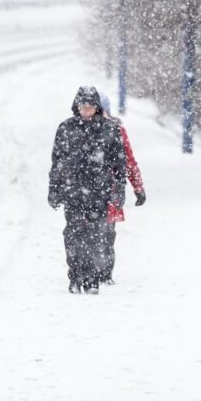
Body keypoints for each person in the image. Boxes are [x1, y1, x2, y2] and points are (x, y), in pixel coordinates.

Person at [48, 86, 126, 294]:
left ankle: (91, 277)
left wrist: (119, 190)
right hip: (72, 191)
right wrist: (54, 189)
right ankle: (75, 275)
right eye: (83, 107)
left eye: (90, 107)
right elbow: (57, 162)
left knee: (94, 235)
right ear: (77, 107)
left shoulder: (110, 130)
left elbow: (119, 164)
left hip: (99, 192)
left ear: (97, 108)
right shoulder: (65, 129)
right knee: (73, 235)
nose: (86, 111)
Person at [98, 93, 146, 285]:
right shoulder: (80, 129)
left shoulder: (116, 130)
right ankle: (97, 270)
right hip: (100, 190)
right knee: (97, 232)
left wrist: (138, 187)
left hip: (111, 189)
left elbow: (128, 161)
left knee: (107, 232)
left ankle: (104, 272)